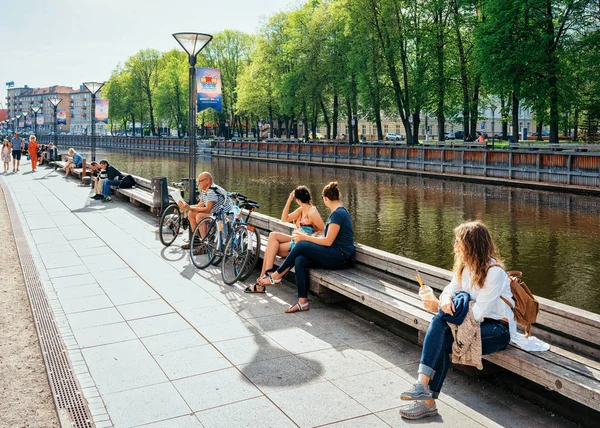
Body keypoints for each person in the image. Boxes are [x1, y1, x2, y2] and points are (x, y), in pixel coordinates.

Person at [398, 220, 517, 420]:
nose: (455, 246)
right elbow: (450, 290)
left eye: (459, 242)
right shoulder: (466, 267)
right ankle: (423, 389)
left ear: (472, 245)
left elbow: (478, 314)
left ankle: (426, 398)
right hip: (474, 325)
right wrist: (444, 301)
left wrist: (440, 308)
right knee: (439, 325)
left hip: (497, 330)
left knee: (441, 333)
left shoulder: (494, 272)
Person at [258, 182, 354, 313]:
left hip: (340, 256)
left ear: (325, 198)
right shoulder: (338, 212)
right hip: (335, 254)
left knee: (302, 245)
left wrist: (306, 238)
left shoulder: (338, 214)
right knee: (300, 260)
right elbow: (327, 238)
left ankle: (276, 275)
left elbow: (328, 241)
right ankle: (302, 302)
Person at [247, 186, 324, 293]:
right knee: (273, 236)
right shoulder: (302, 209)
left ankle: (262, 282)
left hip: (301, 246)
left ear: (297, 200)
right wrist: (288, 200)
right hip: (294, 241)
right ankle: (267, 275)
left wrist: (308, 238)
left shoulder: (312, 212)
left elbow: (324, 231)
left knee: (270, 250)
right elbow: (284, 219)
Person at [177, 172, 232, 250]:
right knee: (191, 213)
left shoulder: (212, 191)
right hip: (215, 212)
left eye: (200, 181)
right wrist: (186, 207)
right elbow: (200, 206)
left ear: (208, 181)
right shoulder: (204, 191)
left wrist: (189, 207)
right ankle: (196, 241)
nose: (198, 183)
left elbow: (207, 209)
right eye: (198, 181)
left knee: (200, 216)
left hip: (225, 215)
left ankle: (205, 246)